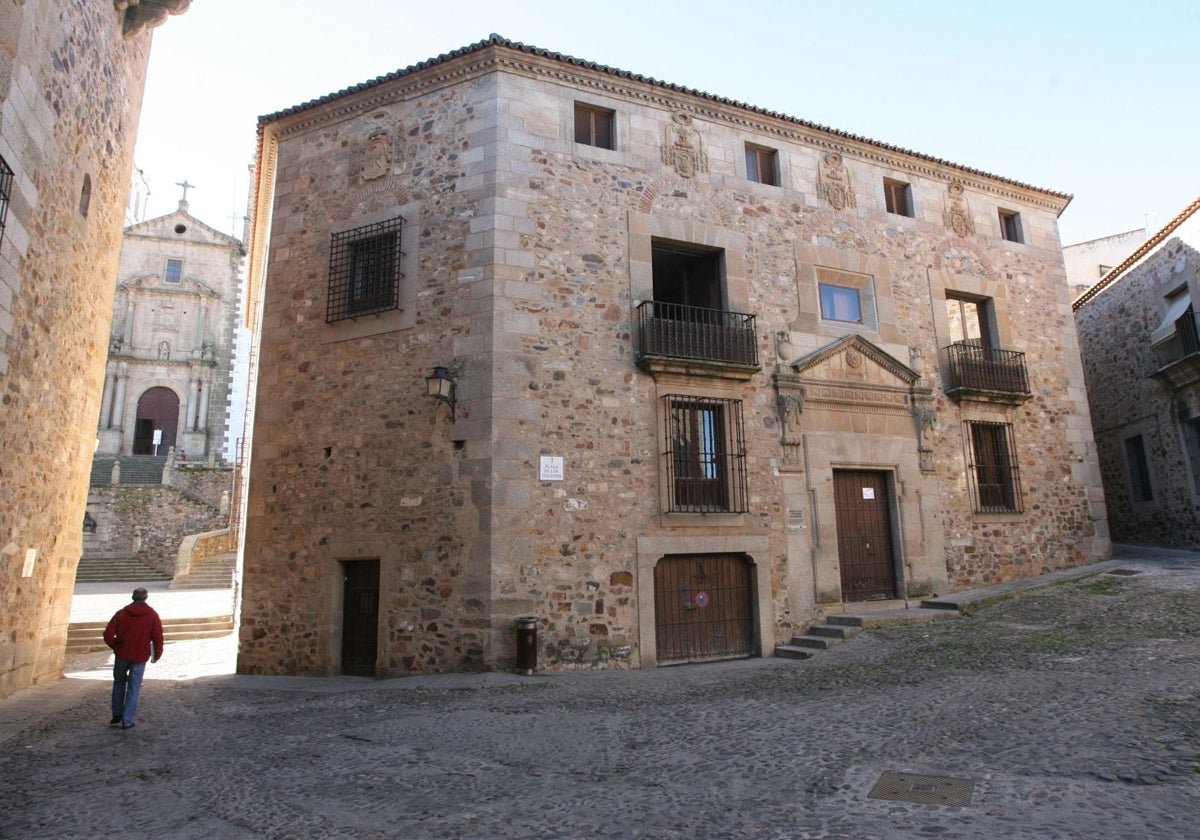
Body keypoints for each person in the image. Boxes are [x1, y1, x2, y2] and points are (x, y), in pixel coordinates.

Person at [103, 587, 164, 730]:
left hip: (122, 654)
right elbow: (157, 637)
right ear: (146, 598)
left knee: (118, 683)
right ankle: (127, 720)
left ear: (133, 597)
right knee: (134, 687)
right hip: (139, 655)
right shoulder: (152, 615)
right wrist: (157, 653)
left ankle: (116, 713)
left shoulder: (121, 614)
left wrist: (116, 646)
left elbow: (108, 634)